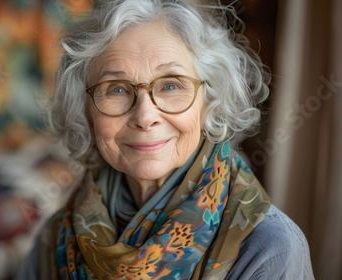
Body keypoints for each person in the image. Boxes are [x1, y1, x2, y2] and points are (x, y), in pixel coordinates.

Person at [17, 0, 314, 279]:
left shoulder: (269, 247)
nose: (145, 116)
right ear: (85, 109)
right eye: (116, 89)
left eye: (171, 85)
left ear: (209, 102)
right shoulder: (57, 235)